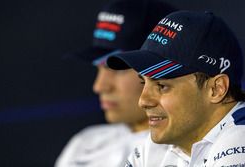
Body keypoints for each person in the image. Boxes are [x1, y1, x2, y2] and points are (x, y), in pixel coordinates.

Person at [107, 10, 245, 166]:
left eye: (161, 86)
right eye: (143, 83)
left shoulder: (241, 139)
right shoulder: (156, 146)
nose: (143, 101)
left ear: (216, 89)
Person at [54, 0, 176, 167]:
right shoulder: (84, 143)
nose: (99, 86)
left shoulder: (194, 153)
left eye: (116, 69)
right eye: (99, 69)